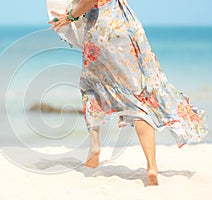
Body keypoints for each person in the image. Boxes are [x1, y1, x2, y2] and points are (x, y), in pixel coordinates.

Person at [48, 0, 208, 186]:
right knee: (138, 97)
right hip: (127, 27)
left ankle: (94, 147)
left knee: (90, 85)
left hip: (102, 29)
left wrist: (69, 17)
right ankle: (152, 166)